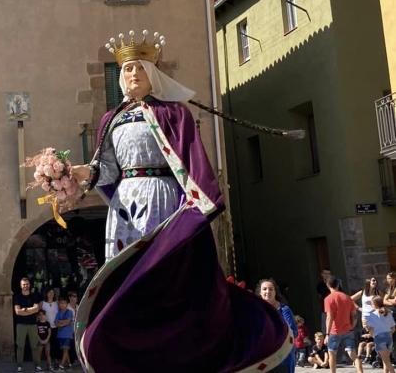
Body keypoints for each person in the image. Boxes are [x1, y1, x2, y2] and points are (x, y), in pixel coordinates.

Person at [69, 31, 292, 372]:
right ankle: (132, 348)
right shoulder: (110, 119)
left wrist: (194, 209)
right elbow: (107, 169)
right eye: (125, 70)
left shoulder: (174, 114)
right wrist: (71, 173)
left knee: (162, 273)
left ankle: (177, 345)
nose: (130, 75)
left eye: (138, 69)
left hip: (164, 197)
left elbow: (191, 159)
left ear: (152, 74)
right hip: (125, 205)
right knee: (128, 280)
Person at [257, 279, 298, 373]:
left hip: (282, 357)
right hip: (264, 357)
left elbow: (293, 332)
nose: (268, 291)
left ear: (275, 292)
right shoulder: (257, 310)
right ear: (260, 292)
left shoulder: (284, 310)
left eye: (271, 289)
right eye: (265, 289)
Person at [324, 277, 362, 373]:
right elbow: (354, 315)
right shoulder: (347, 297)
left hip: (334, 330)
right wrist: (351, 326)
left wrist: (327, 334)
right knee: (353, 354)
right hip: (347, 329)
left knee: (332, 354)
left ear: (328, 285)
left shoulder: (328, 299)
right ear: (338, 285)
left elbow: (329, 317)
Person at [14, 277, 41, 372]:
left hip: (32, 324)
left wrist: (24, 310)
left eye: (26, 284)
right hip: (21, 324)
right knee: (20, 346)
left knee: (34, 346)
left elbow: (36, 309)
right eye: (23, 284)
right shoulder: (17, 297)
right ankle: (19, 366)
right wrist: (30, 310)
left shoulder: (34, 296)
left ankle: (37, 365)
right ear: (21, 286)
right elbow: (17, 312)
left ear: (29, 285)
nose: (25, 286)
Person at [366, 296, 395, 373]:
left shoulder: (373, 315)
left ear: (374, 304)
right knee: (386, 358)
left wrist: (371, 334)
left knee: (386, 361)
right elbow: (393, 328)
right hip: (389, 336)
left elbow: (371, 329)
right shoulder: (388, 313)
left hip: (379, 337)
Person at [317, 269, 343, 333]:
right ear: (322, 274)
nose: (326, 275)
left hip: (336, 308)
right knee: (325, 327)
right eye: (325, 273)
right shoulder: (320, 285)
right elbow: (320, 296)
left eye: (328, 274)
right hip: (325, 308)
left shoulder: (336, 284)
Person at [54, 297, 74, 371]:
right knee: (65, 351)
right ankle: (69, 365)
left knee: (65, 350)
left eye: (64, 303)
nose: (62, 305)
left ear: (67, 304)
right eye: (61, 303)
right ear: (59, 304)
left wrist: (60, 322)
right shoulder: (58, 313)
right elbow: (56, 323)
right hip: (60, 335)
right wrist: (62, 322)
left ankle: (61, 366)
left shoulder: (69, 312)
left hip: (68, 335)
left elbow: (68, 321)